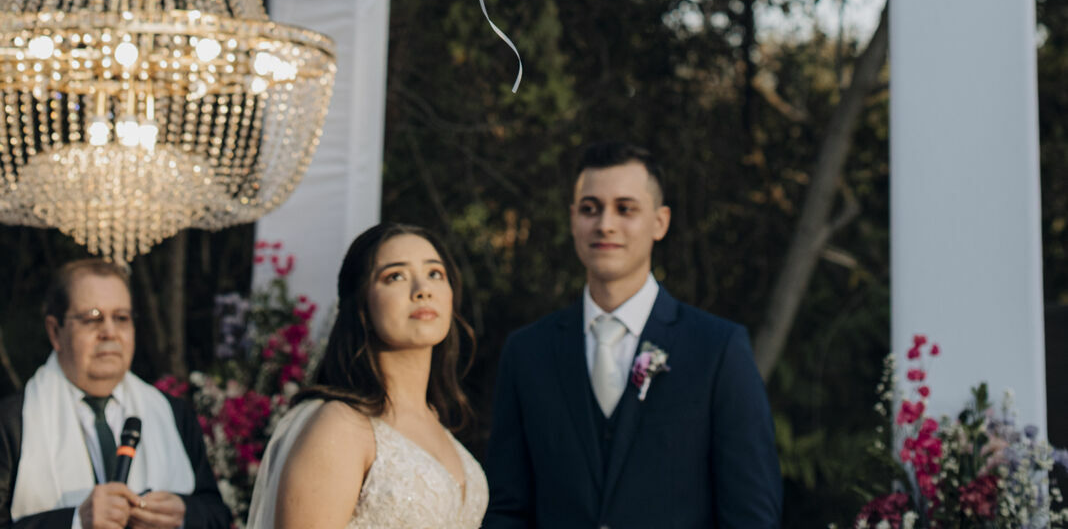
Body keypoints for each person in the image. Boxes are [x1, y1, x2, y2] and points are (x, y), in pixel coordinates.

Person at [484, 140, 783, 529]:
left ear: (660, 222)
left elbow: (751, 517)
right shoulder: (528, 352)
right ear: (574, 219)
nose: (605, 224)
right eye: (590, 209)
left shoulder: (718, 349)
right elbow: (507, 507)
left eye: (625, 209)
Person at [247, 222, 487, 529]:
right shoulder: (340, 426)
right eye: (396, 276)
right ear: (362, 302)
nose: (423, 290)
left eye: (435, 274)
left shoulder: (437, 420)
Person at [0, 258, 228, 529]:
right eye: (92, 318)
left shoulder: (173, 413)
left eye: (121, 318)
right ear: (55, 331)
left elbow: (217, 515)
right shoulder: (12, 422)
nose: (109, 332)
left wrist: (185, 514)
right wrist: (74, 521)